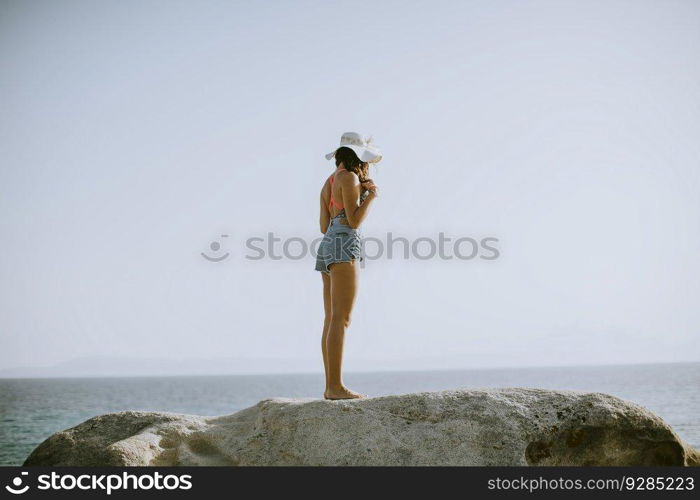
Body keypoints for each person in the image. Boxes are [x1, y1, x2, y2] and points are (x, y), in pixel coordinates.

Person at [316, 132, 382, 400]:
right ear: (358, 157)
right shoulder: (350, 178)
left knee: (331, 318)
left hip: (328, 243)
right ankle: (335, 387)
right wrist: (371, 196)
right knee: (342, 319)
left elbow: (323, 226)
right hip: (344, 243)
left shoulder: (328, 182)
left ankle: (330, 385)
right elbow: (354, 221)